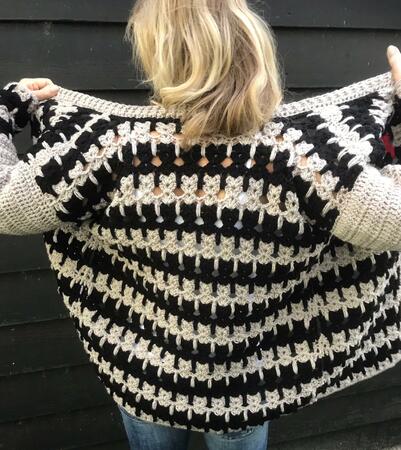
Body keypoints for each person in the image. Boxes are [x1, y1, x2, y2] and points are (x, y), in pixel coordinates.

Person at [1, 1, 401, 449]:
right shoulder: (311, 158)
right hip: (244, 392)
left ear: (160, 54)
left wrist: (9, 107)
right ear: (252, 46)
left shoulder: (101, 150)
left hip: (144, 376)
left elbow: (4, 202)